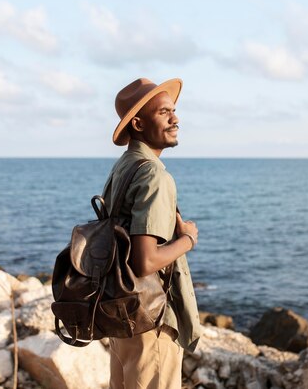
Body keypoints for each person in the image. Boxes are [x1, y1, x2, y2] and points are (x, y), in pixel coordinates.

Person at [103, 77, 202, 388]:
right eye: (163, 112)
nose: (175, 118)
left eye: (174, 110)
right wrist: (187, 239)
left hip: (122, 312)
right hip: (150, 320)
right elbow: (144, 261)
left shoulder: (123, 167)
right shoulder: (153, 173)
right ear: (138, 123)